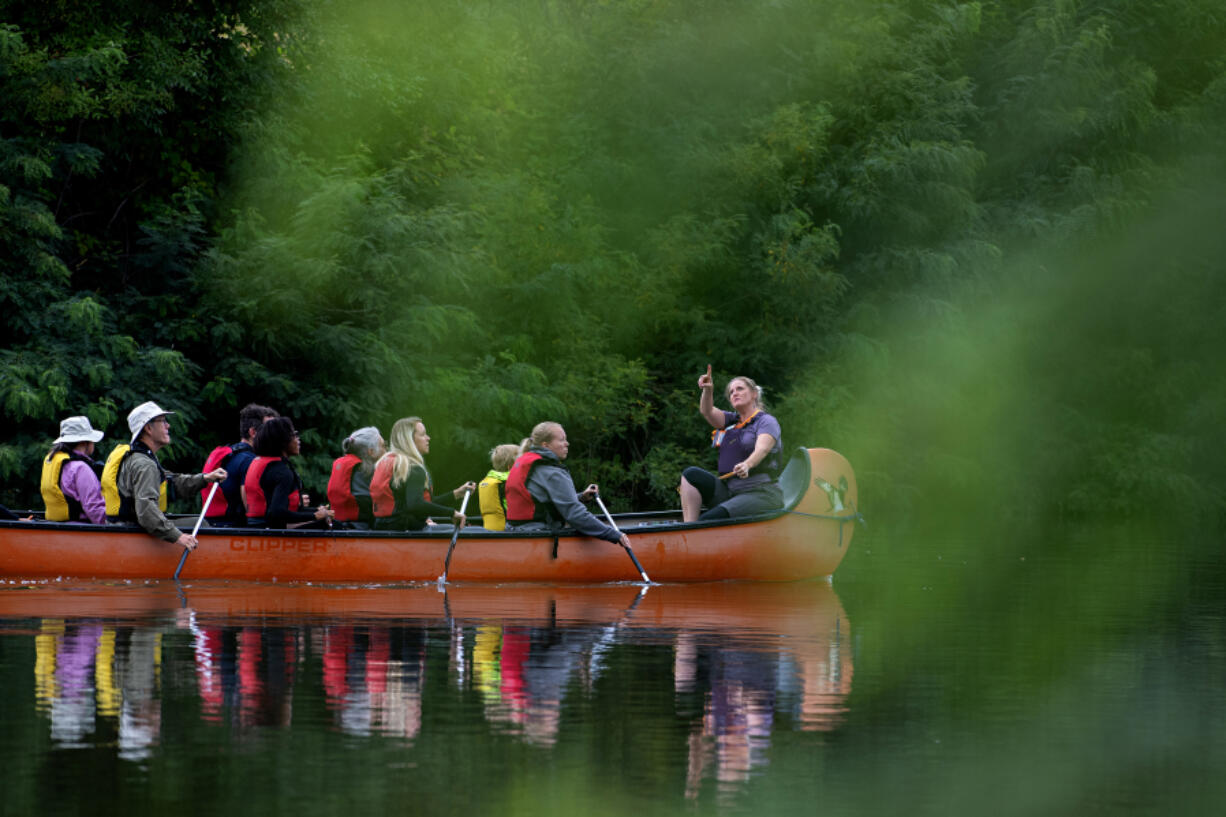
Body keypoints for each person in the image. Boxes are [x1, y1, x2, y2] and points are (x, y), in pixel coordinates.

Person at [113, 401, 227, 550]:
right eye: (163, 421)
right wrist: (177, 536)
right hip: (134, 530)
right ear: (148, 428)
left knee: (195, 521)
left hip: (130, 525)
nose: (168, 426)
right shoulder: (145, 464)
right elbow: (146, 511)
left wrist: (205, 478)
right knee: (202, 524)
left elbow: (172, 483)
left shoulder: (141, 457)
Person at [679, 365, 784, 522]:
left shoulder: (766, 421)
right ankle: (688, 529)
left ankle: (695, 531)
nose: (734, 393)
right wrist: (708, 390)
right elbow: (707, 411)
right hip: (730, 492)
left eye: (740, 389)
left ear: (754, 394)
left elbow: (762, 449)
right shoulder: (731, 421)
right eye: (731, 392)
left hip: (761, 493)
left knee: (708, 520)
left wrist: (748, 464)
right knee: (690, 474)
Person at [504, 422, 630, 548]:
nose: (567, 443)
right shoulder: (551, 471)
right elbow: (574, 514)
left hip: (513, 530)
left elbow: (543, 501)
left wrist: (580, 497)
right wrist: (614, 534)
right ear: (545, 445)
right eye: (561, 440)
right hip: (537, 535)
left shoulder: (525, 462)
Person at [371, 417, 476, 531]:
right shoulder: (413, 468)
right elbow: (416, 505)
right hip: (409, 531)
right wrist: (452, 513)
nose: (428, 438)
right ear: (409, 440)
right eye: (423, 434)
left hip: (385, 529)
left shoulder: (386, 464)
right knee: (478, 532)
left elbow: (421, 504)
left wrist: (456, 493)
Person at [244, 417, 334, 529]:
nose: (298, 439)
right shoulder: (282, 472)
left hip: (255, 525)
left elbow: (287, 509)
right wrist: (315, 515)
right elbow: (277, 513)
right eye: (294, 435)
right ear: (282, 441)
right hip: (269, 529)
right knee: (335, 525)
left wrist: (316, 511)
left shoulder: (258, 462)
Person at [201, 403, 279, 527]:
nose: (276, 435)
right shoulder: (249, 461)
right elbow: (251, 508)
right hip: (231, 528)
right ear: (253, 432)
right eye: (270, 430)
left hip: (212, 524)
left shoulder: (231, 453)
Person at [40, 416, 106, 524]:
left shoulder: (54, 461)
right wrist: (116, 521)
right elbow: (95, 510)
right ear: (84, 442)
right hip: (81, 531)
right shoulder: (80, 468)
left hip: (58, 529)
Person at [327, 426, 386, 528]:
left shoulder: (342, 463)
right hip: (361, 528)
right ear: (371, 452)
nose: (386, 450)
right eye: (382, 446)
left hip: (338, 525)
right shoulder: (365, 470)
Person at [478, 443, 521, 531]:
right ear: (511, 465)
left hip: (490, 530)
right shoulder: (510, 482)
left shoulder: (487, 481)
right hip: (508, 531)